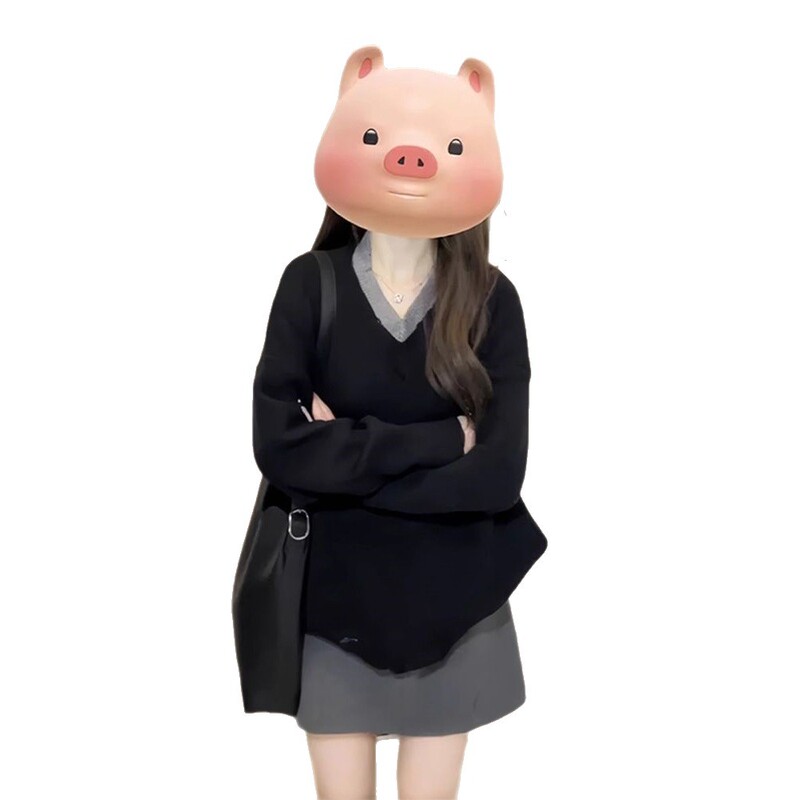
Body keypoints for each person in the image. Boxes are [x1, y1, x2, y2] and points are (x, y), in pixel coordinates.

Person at [252, 45, 546, 800]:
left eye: (446, 146)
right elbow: (279, 448)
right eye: (377, 138)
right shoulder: (309, 285)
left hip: (456, 602)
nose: (410, 160)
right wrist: (445, 439)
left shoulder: (493, 301)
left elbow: (498, 477)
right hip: (334, 602)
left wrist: (345, 461)